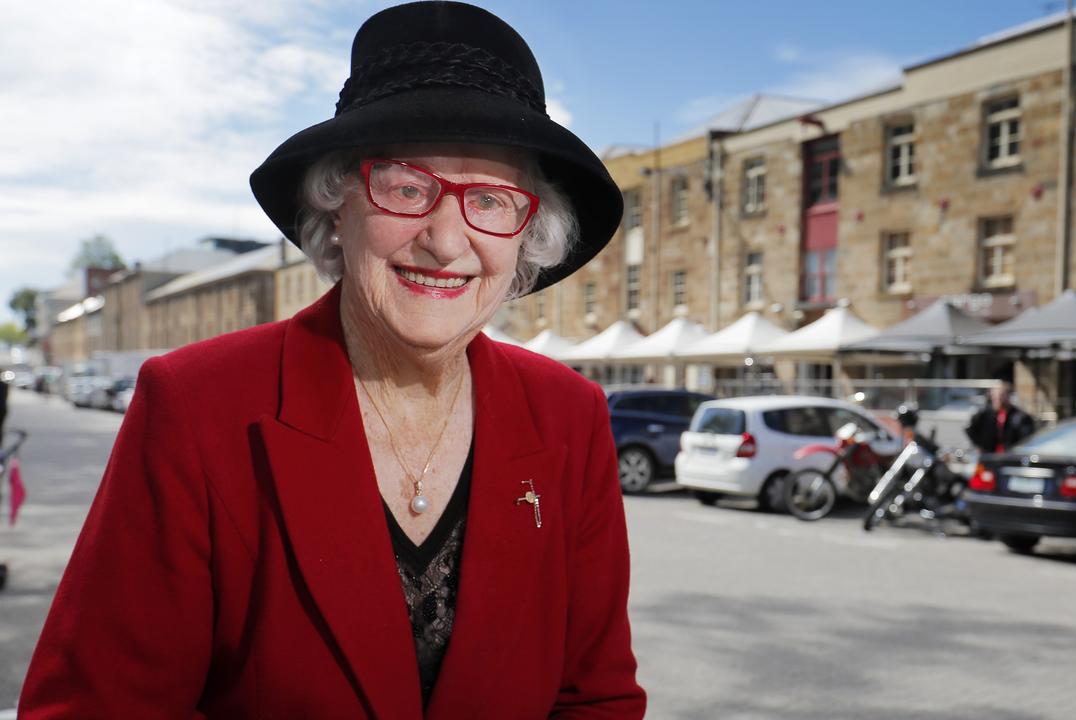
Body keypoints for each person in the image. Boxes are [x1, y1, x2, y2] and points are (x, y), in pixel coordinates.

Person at [20, 4, 645, 717]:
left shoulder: (570, 414)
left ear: (528, 236)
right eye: (406, 187)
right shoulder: (197, 405)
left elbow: (595, 697)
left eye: (493, 201)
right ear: (336, 206)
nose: (446, 241)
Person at [965, 381, 1037, 454]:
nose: (997, 400)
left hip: (1010, 458)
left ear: (1008, 396)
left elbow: (1027, 440)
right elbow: (971, 429)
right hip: (989, 457)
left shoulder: (1020, 417)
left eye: (1001, 396)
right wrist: (979, 447)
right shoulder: (985, 415)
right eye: (994, 397)